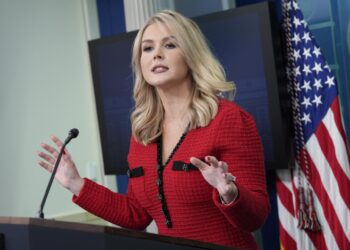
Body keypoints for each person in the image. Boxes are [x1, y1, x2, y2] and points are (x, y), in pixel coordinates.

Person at [37, 10, 270, 250]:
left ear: (191, 55)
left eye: (169, 45)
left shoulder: (229, 119)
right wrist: (75, 183)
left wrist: (228, 192)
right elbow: (135, 215)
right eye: (147, 48)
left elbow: (255, 218)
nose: (157, 54)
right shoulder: (144, 132)